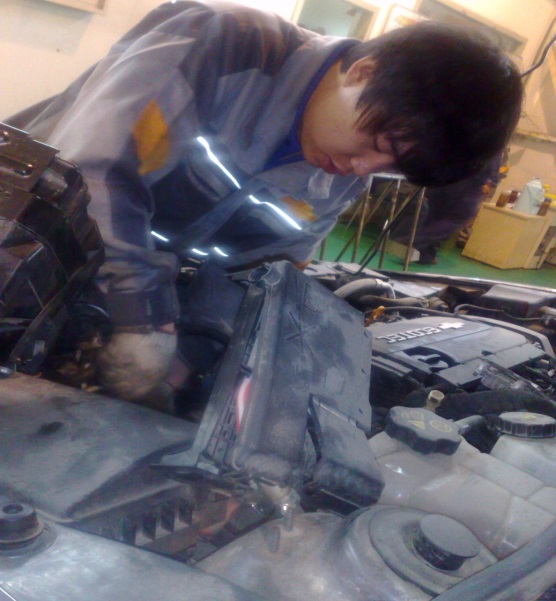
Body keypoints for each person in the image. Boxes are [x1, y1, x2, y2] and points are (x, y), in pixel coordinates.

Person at [7, 1, 523, 409]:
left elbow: (257, 275)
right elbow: (93, 174)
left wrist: (192, 359)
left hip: (98, 292)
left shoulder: (338, 179)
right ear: (364, 71)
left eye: (392, 167)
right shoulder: (224, 42)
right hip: (19, 241)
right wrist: (146, 319)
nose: (363, 168)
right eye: (379, 143)